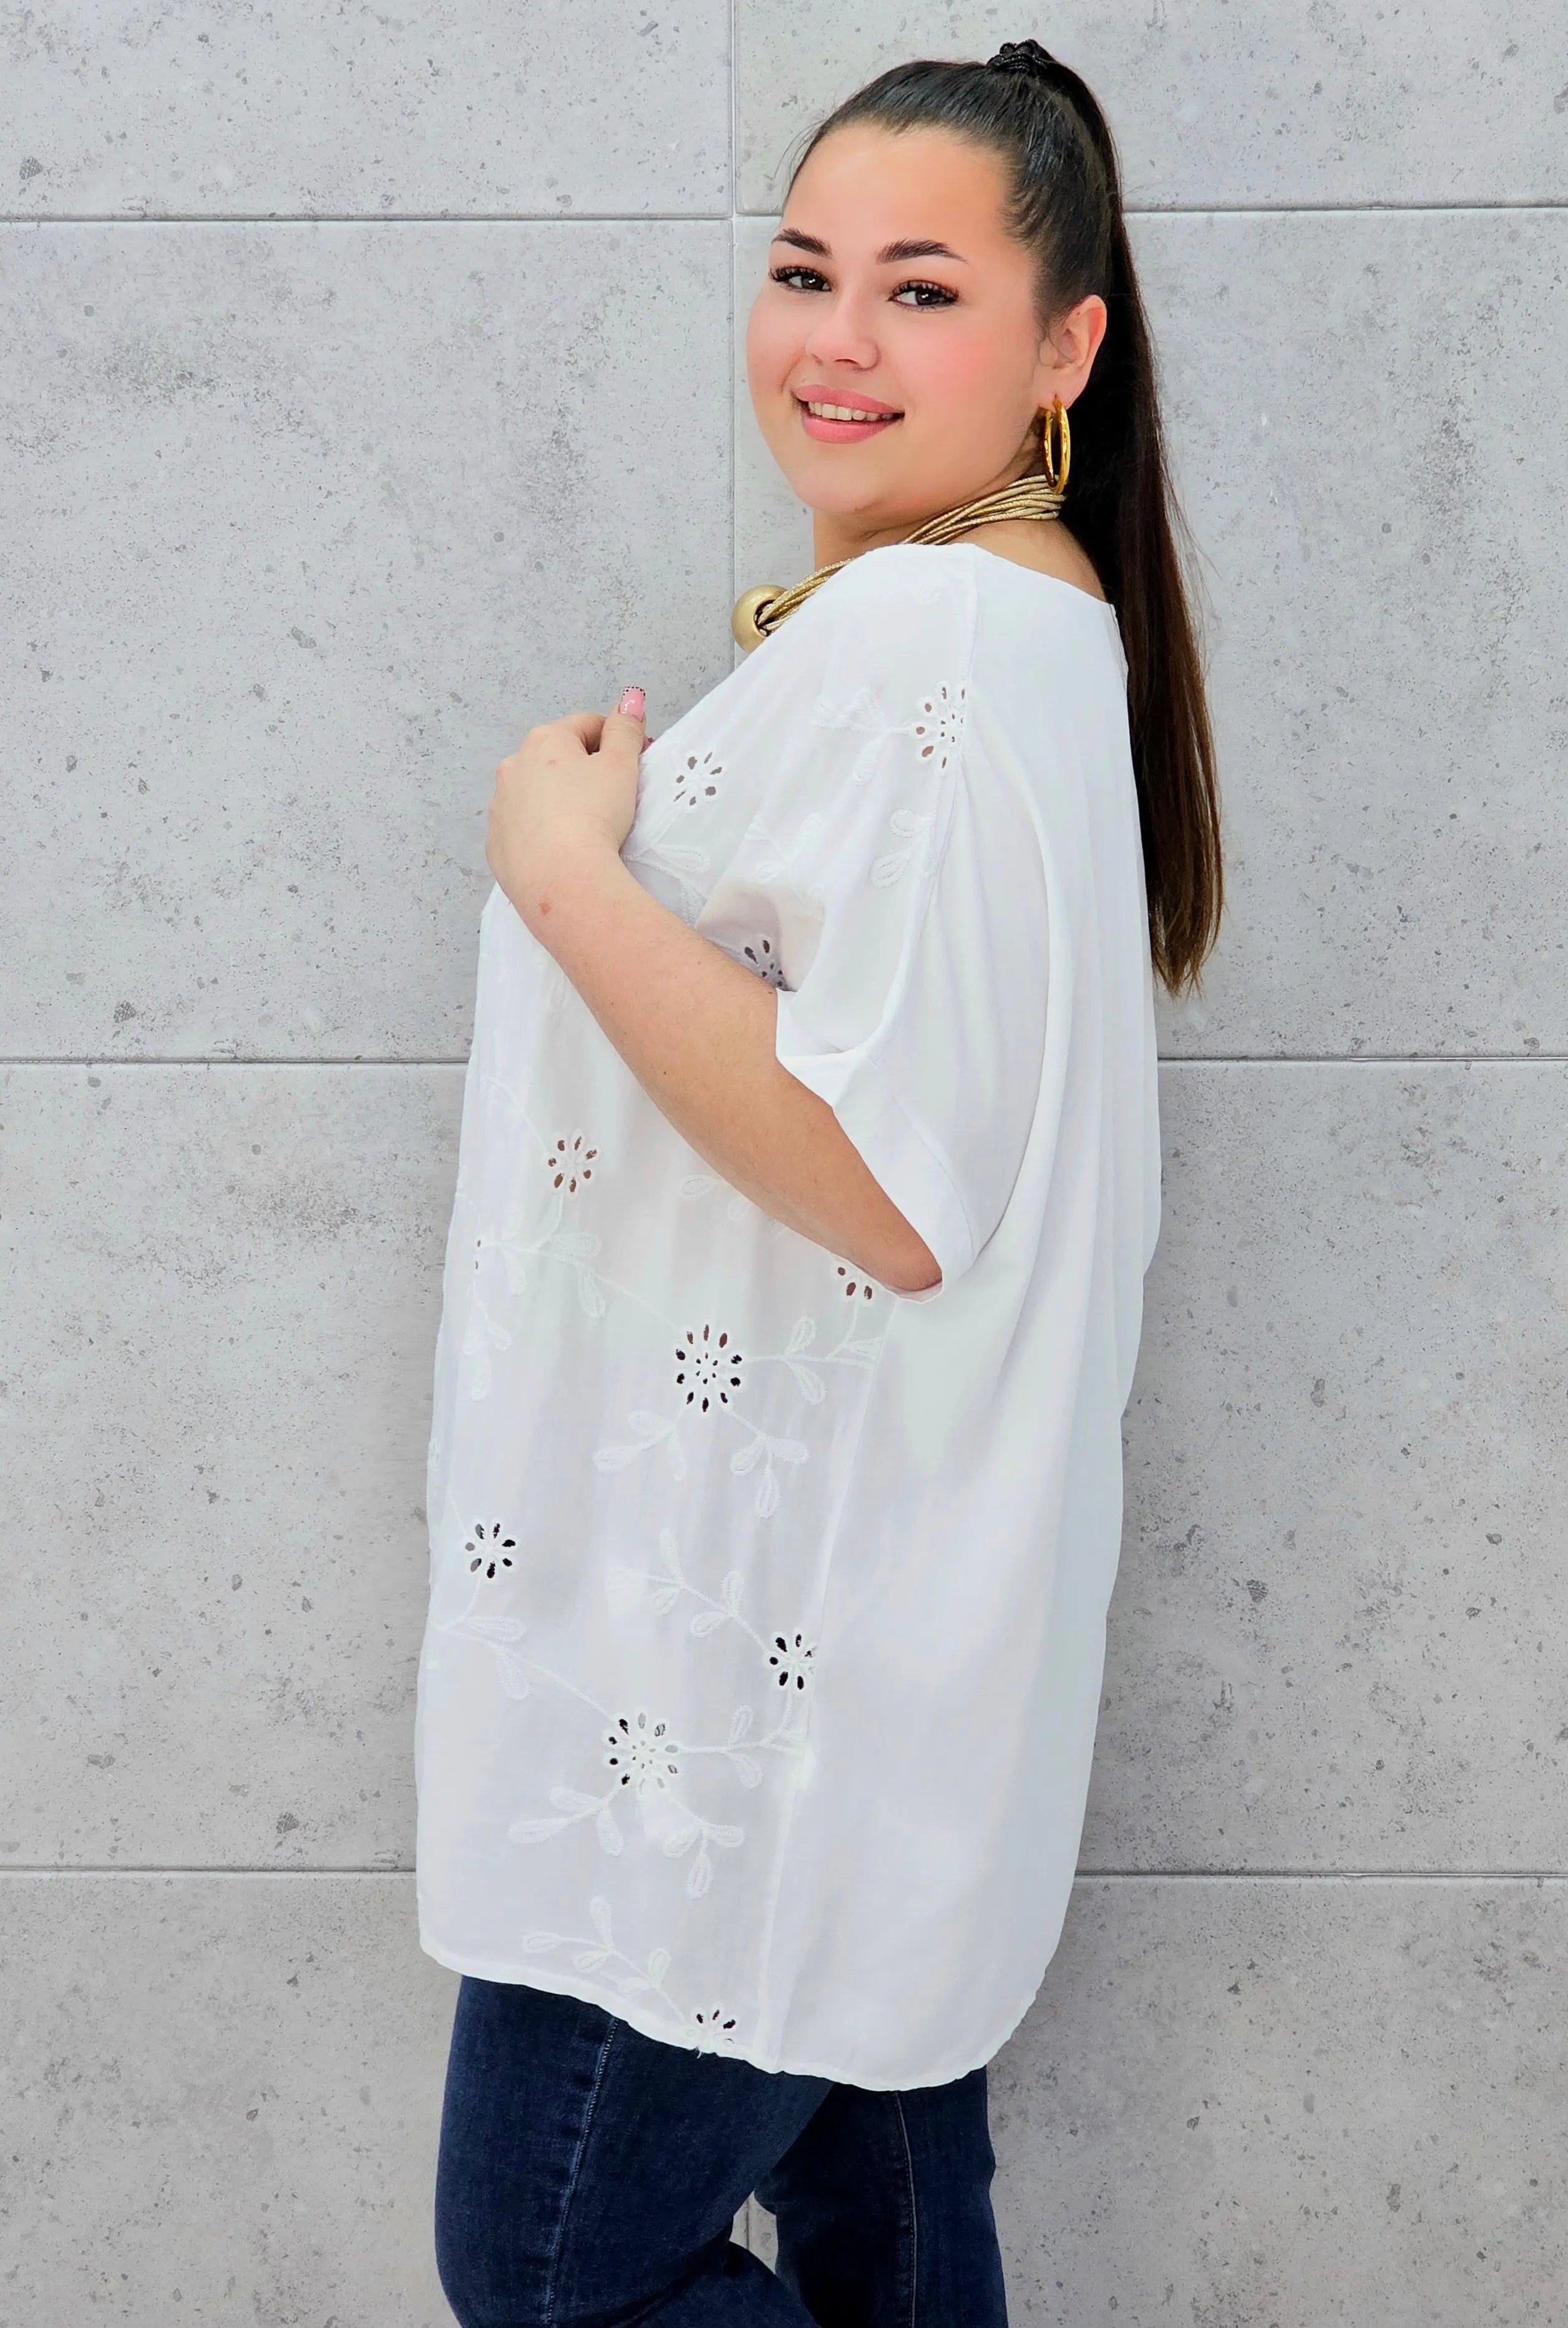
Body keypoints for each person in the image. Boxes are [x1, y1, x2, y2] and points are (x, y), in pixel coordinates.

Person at [419, 37, 1222, 2328]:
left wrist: (564, 873)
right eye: (802, 271)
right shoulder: (1015, 623)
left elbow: (886, 1177)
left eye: (923, 290)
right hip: (845, 1621)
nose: (837, 341)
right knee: (889, 2241)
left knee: (557, 2270)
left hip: (739, 1679)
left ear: (1068, 346)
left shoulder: (938, 635)